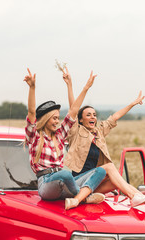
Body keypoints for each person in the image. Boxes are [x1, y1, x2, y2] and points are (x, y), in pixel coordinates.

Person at [62, 72, 145, 213]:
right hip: (78, 183)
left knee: (114, 182)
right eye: (88, 115)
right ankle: (135, 197)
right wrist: (73, 85)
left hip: (93, 184)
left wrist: (132, 104)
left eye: (94, 114)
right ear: (81, 120)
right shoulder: (76, 131)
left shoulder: (99, 133)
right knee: (110, 167)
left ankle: (144, 199)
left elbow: (114, 117)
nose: (93, 117)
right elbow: (73, 109)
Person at [24, 67, 106, 210]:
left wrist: (85, 87)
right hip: (47, 184)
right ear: (46, 119)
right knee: (65, 174)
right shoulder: (35, 136)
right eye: (54, 118)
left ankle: (76, 198)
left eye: (58, 118)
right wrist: (32, 87)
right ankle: (84, 197)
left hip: (66, 184)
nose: (57, 121)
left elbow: (74, 110)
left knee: (100, 171)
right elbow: (31, 113)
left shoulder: (60, 135)